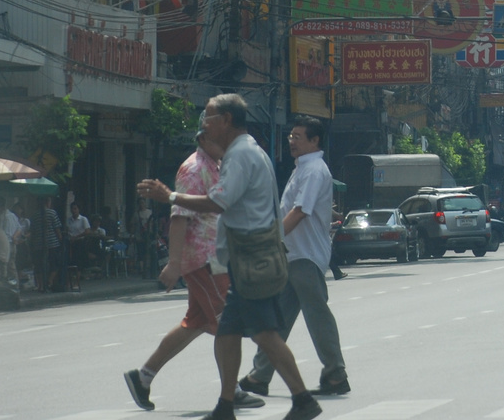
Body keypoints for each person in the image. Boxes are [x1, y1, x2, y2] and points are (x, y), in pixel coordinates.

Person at [138, 94, 321, 420]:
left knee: (264, 333)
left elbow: (219, 202)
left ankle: (303, 399)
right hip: (241, 259)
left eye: (208, 118)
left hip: (251, 258)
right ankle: (225, 405)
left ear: (225, 121)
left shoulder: (240, 156)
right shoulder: (244, 152)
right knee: (227, 332)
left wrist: (170, 196)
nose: (204, 125)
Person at [124, 129, 265, 413]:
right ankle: (232, 391)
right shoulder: (193, 169)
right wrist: (174, 263)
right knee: (228, 325)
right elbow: (179, 218)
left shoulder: (215, 165)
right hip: (203, 260)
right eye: (218, 138)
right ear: (203, 139)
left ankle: (143, 377)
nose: (224, 143)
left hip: (214, 257)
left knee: (196, 323)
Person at [242, 116, 350, 398]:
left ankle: (335, 373)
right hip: (293, 255)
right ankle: (259, 375)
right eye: (291, 136)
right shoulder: (303, 168)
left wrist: (272, 240)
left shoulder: (313, 170)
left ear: (314, 141)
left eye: (298, 136)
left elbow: (300, 211)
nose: (292, 140)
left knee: (317, 315)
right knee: (277, 318)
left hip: (305, 256)